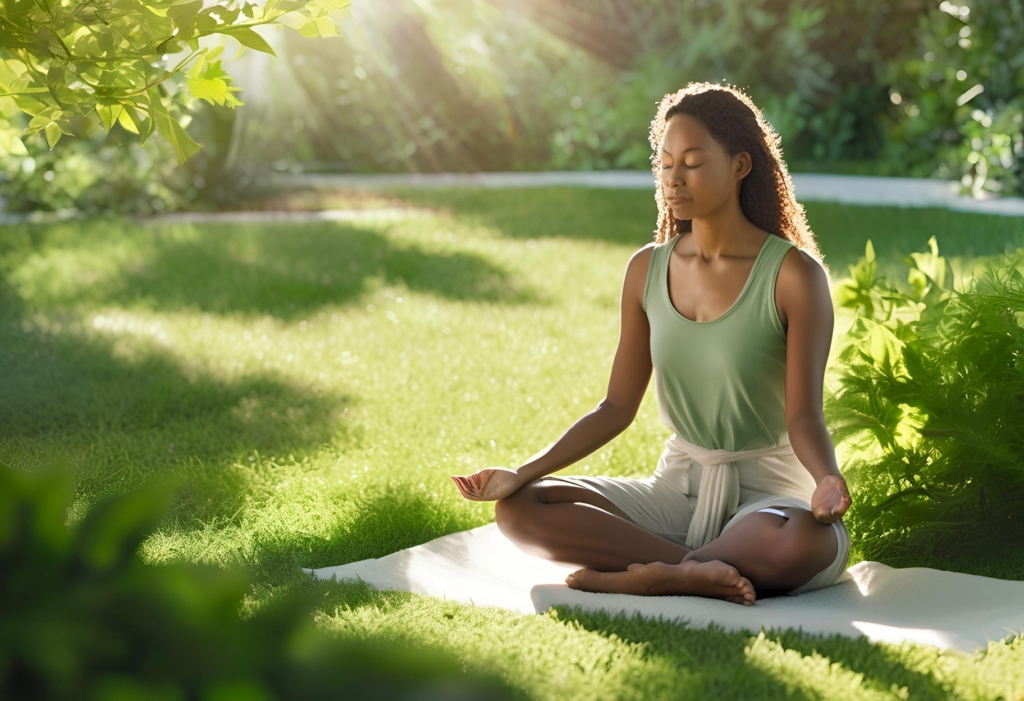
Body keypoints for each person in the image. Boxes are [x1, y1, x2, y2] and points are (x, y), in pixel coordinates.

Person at [451, 82, 852, 606]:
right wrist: (521, 473)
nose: (673, 179)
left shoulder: (794, 276)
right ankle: (685, 573)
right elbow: (616, 407)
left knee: (803, 540)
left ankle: (646, 574)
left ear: (740, 166)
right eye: (664, 164)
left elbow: (804, 418)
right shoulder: (647, 269)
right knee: (522, 510)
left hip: (769, 498)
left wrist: (826, 479)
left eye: (691, 162)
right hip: (677, 490)